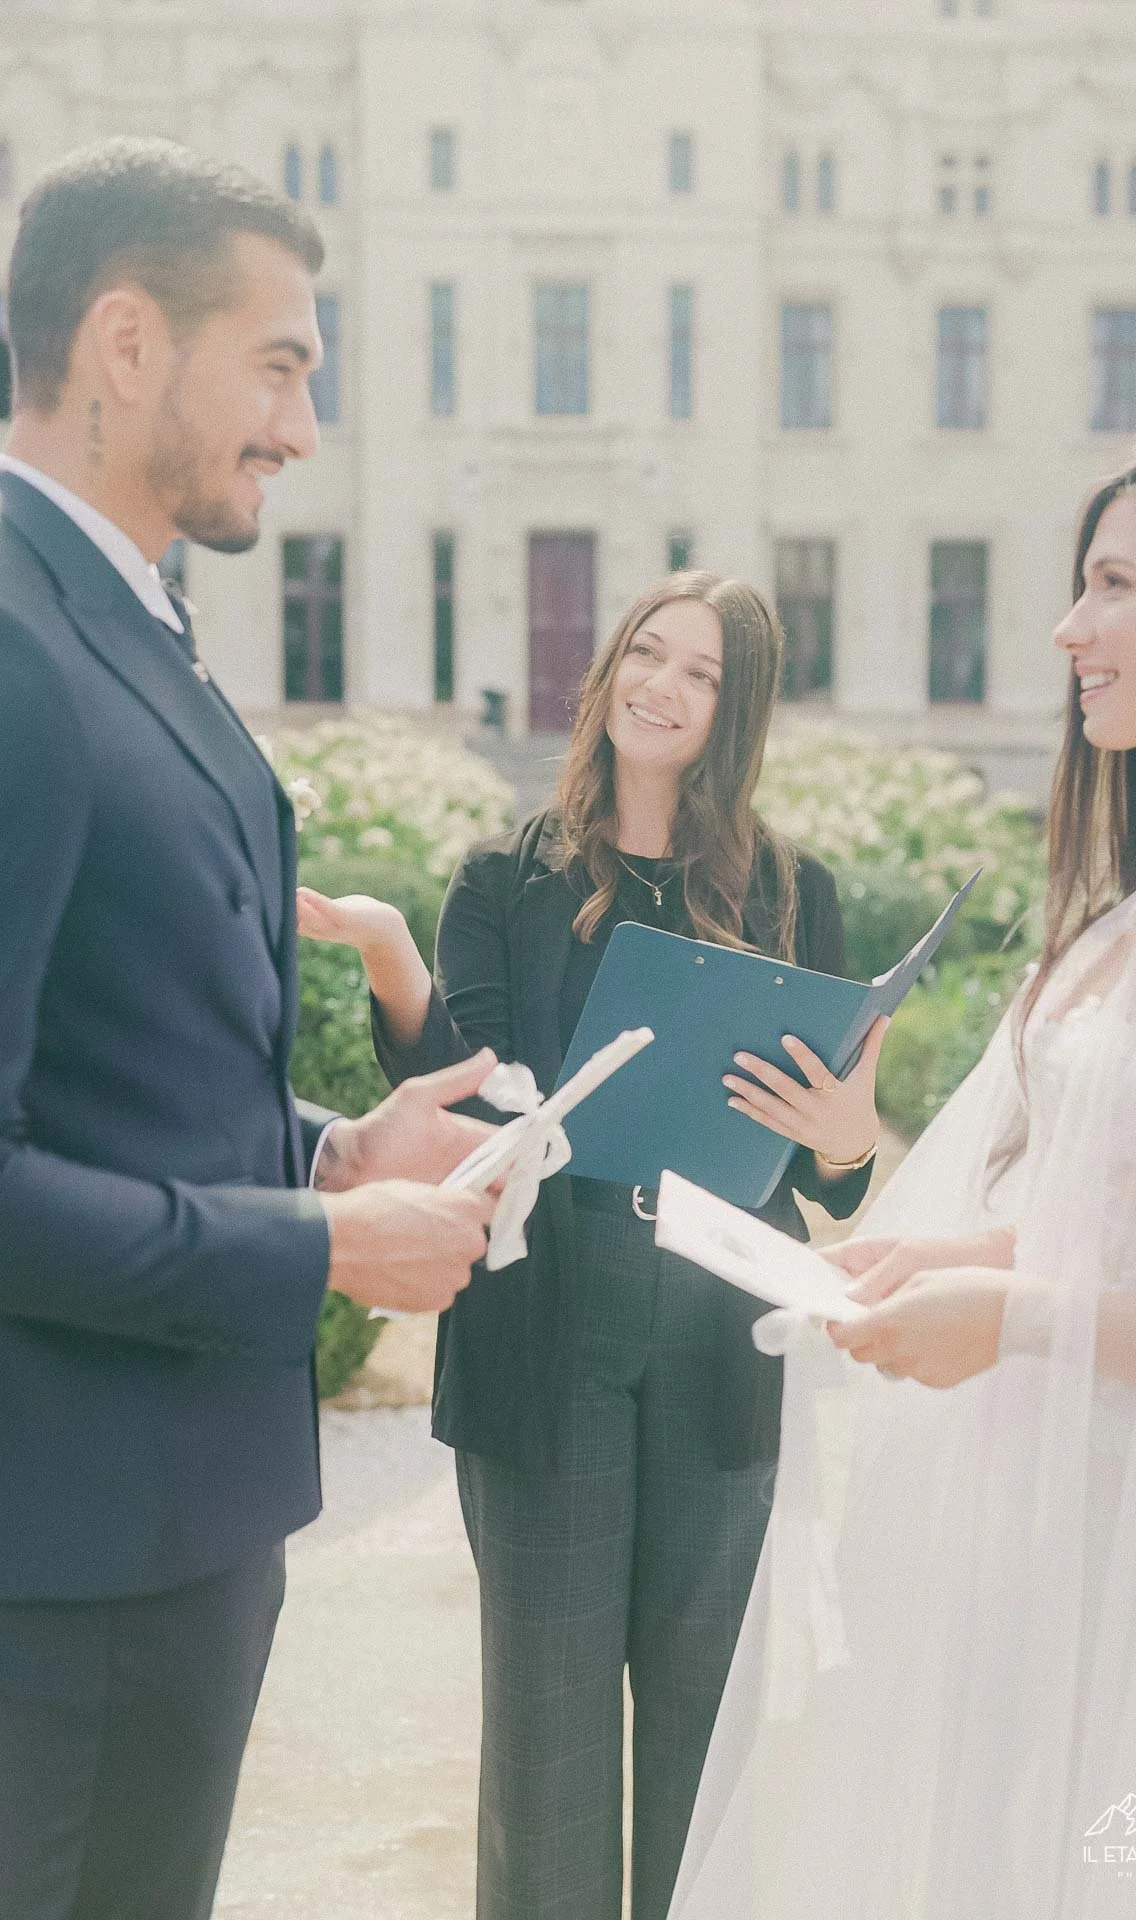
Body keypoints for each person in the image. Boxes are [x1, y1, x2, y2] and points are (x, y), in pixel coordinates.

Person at [667, 434, 1136, 1920]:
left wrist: (1018, 1321)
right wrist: (946, 1265)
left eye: (1113, 584)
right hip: (1044, 1508)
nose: (1068, 630)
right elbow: (1131, 1204)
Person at [0, 138, 500, 1920]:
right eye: (280, 362)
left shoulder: (129, 620)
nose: (302, 423)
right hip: (53, 1575)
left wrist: (333, 1150)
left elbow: (102, 1061)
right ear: (124, 343)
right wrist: (320, 1248)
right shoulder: (12, 642)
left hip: (163, 1536)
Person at [299, 572, 887, 1920]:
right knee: (551, 1749)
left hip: (721, 1334)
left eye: (698, 674)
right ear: (608, 664)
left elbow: (832, 1185)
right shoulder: (505, 877)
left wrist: (849, 1135)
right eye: (645, 652)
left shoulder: (798, 891)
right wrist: (394, 964)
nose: (659, 687)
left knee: (705, 1731)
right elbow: (467, 1102)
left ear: (734, 714)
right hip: (545, 1322)